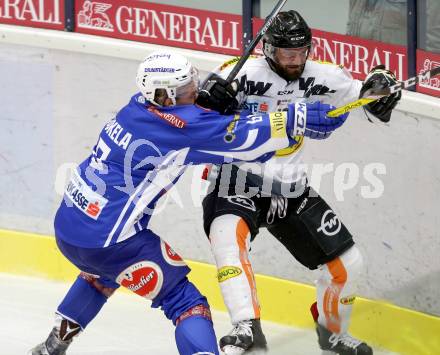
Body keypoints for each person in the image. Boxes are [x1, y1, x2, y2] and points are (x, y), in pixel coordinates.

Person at [28, 50, 347, 355]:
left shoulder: (136, 106)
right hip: (111, 242)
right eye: (184, 88)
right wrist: (296, 117)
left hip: (71, 231)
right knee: (186, 304)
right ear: (164, 96)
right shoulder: (181, 128)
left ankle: (51, 347)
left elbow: (194, 121)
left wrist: (209, 105)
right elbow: (243, 140)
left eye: (192, 80)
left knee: (103, 272)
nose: (194, 89)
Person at [196, 10, 401, 355]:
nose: (294, 62)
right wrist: (208, 102)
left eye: (300, 53)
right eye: (286, 55)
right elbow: (199, 123)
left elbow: (366, 100)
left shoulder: (325, 75)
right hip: (236, 180)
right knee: (229, 242)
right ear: (268, 49)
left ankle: (331, 331)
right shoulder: (239, 73)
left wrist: (381, 91)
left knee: (349, 265)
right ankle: (246, 326)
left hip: (289, 188)